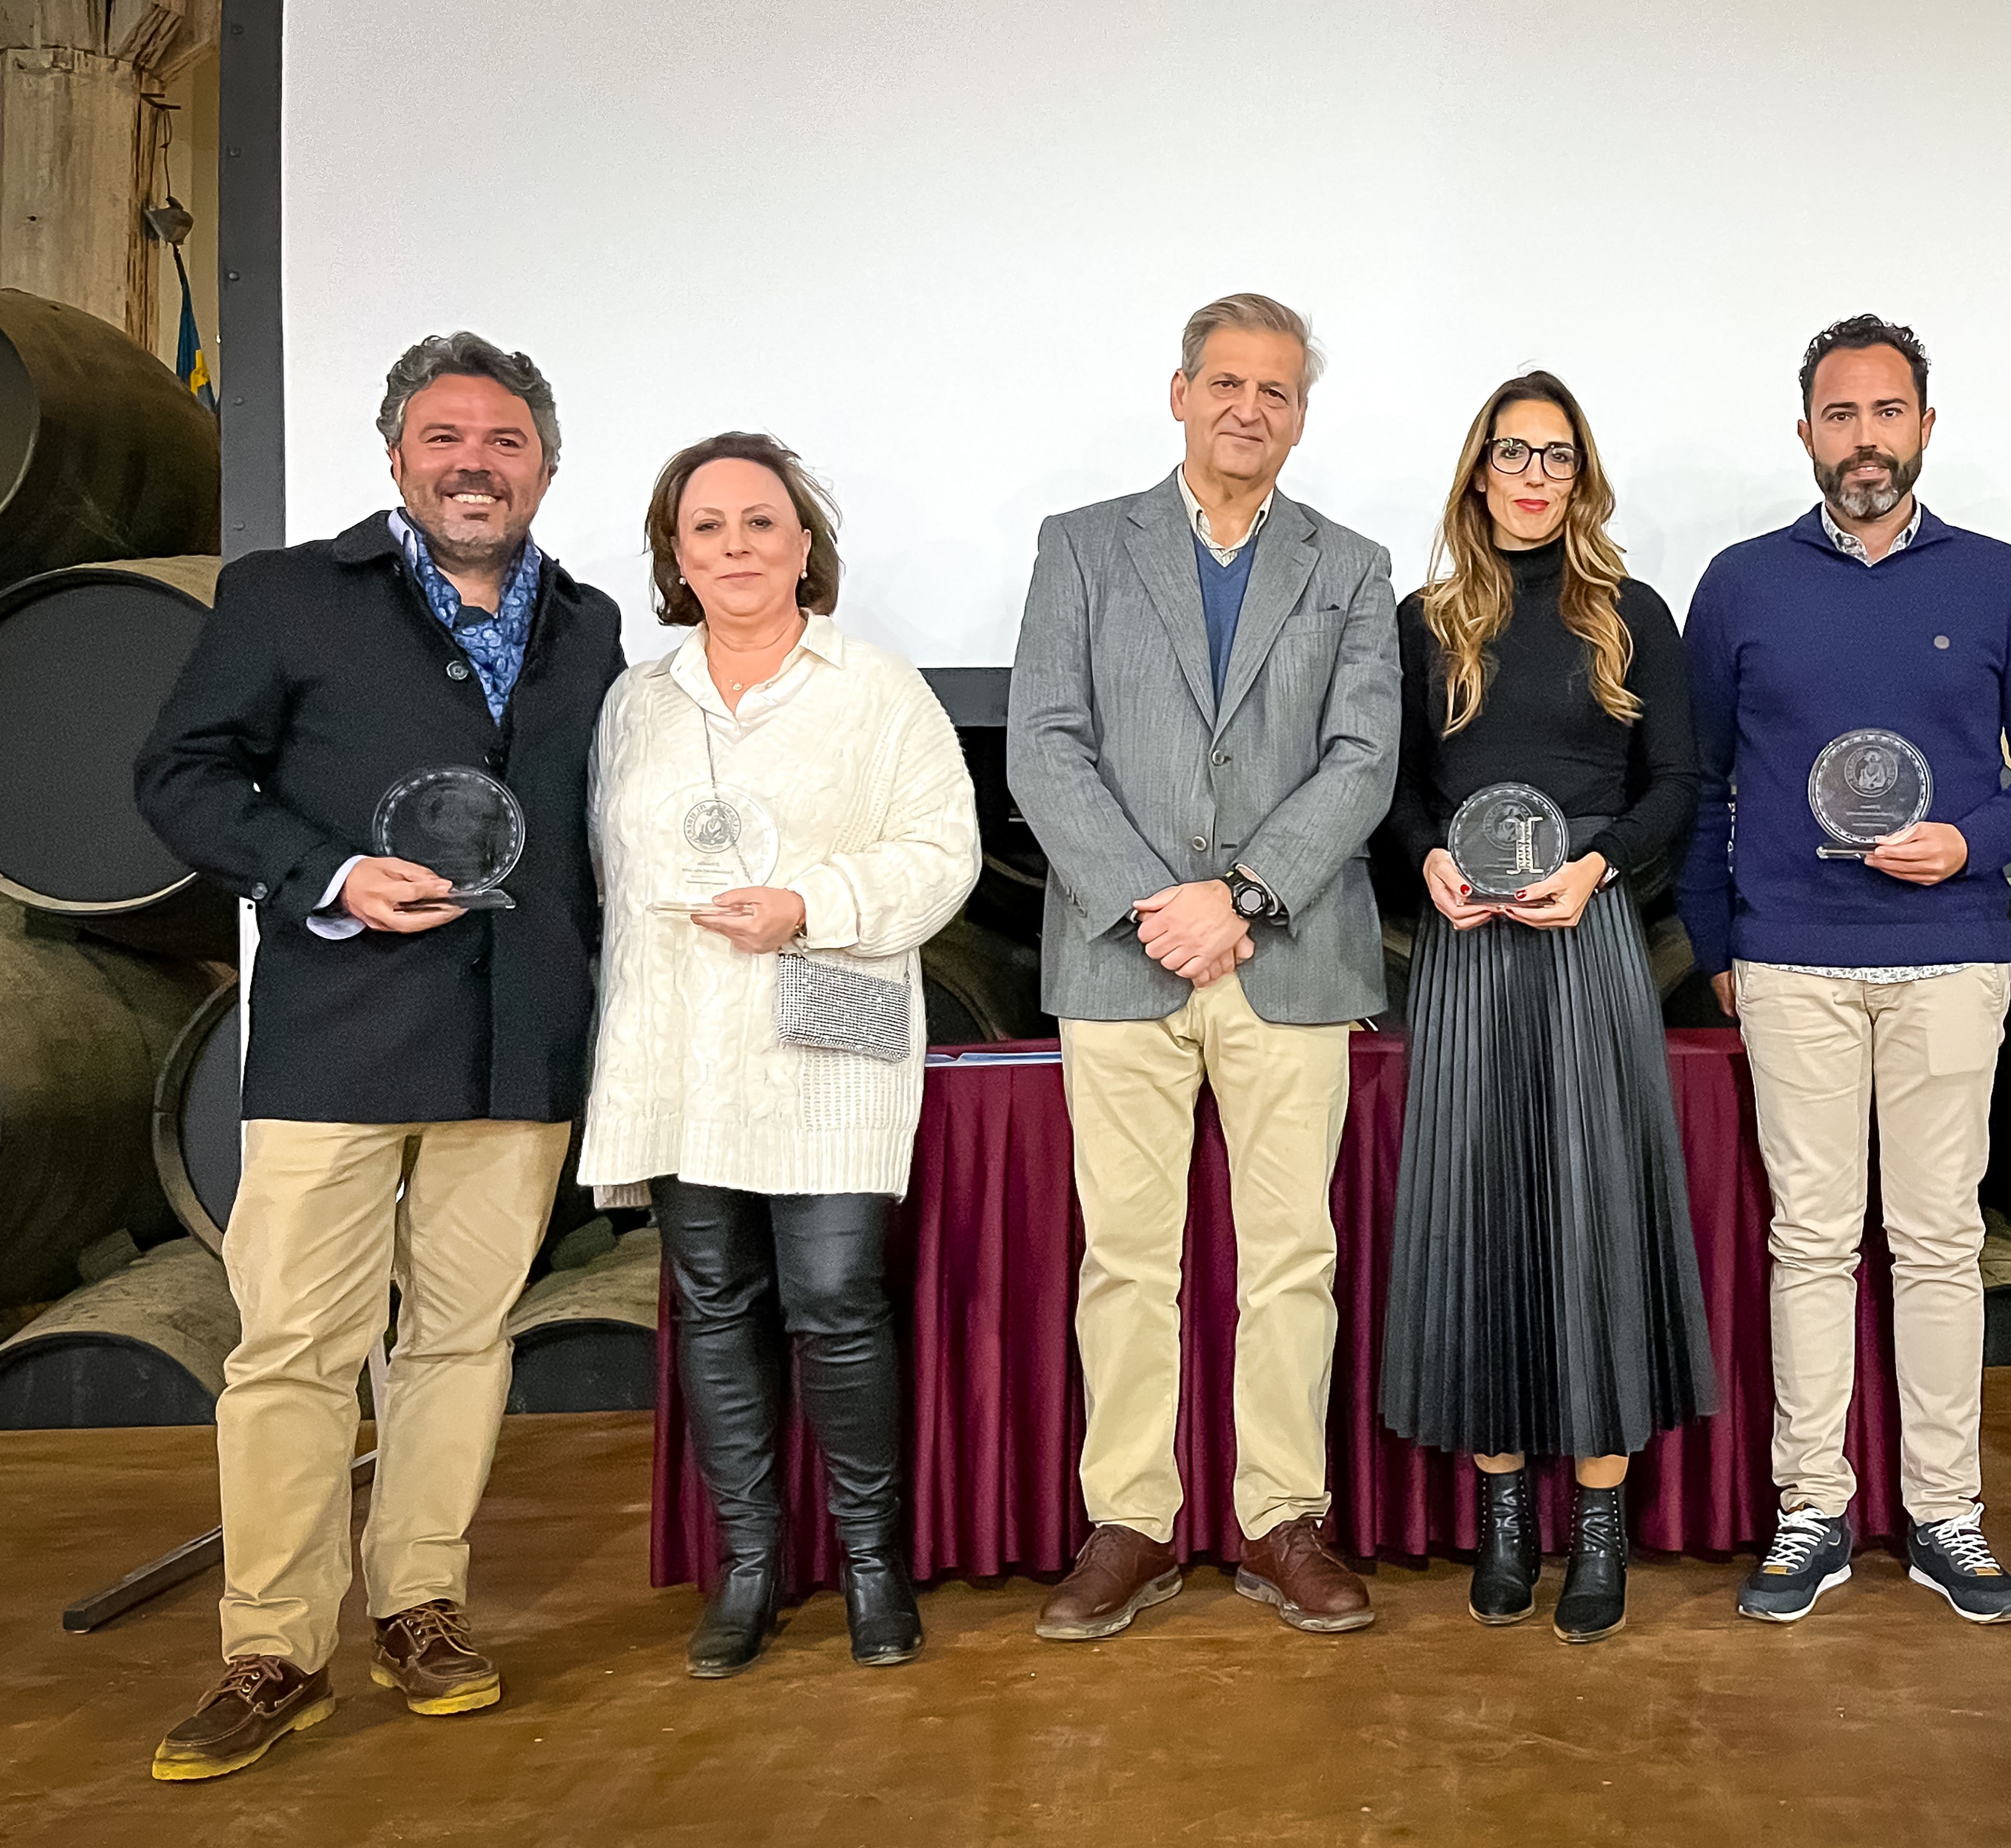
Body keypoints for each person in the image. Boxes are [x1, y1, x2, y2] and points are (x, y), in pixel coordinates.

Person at [132, 334, 626, 1779]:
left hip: (514, 1041)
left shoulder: (589, 626)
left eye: (504, 441)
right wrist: (330, 875)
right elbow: (181, 774)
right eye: (444, 438)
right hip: (337, 1040)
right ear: (396, 453)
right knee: (295, 1350)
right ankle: (273, 1645)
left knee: (461, 1342)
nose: (475, 463)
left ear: (545, 460)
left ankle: (420, 1606)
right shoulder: (288, 595)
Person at [1678, 315, 2011, 1626]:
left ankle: (1944, 1516)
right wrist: (1723, 946)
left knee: (1935, 1241)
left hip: (1948, 959)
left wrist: (1971, 839)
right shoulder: (1738, 583)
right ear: (1804, 433)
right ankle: (1812, 1509)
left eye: (1887, 412)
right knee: (1807, 1240)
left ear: (1924, 423)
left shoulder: (2000, 579)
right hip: (1789, 959)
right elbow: (1697, 786)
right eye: (1840, 416)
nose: (1865, 438)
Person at [1007, 294, 1401, 1640]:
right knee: (1126, 1257)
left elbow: (1363, 757)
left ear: (1300, 413)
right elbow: (1044, 743)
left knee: (1291, 1256)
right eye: (1225, 382)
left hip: (1285, 954)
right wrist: (1150, 904)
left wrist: (1239, 896)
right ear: (1177, 393)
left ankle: (1279, 1517)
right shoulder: (1080, 548)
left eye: (1276, 390)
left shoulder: (1349, 565)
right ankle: (1131, 1520)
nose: (1249, 408)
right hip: (1121, 962)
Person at [580, 433, 979, 1677]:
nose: (737, 546)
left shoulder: (876, 687)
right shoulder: (636, 702)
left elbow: (943, 853)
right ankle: (749, 1565)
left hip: (827, 1041)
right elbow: (607, 873)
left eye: (762, 523)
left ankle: (871, 1565)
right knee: (713, 1307)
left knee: (836, 1303)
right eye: (708, 527)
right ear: (676, 555)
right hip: (685, 1048)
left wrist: (807, 901)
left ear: (804, 545)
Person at [1375, 371, 1715, 1644]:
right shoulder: (1424, 619)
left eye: (1556, 458)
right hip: (1466, 947)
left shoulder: (1629, 613)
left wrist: (1598, 867)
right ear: (1477, 471)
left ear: (1580, 477)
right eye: (1511, 453)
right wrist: (1424, 863)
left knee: (1593, 1213)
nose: (1531, 475)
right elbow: (1402, 789)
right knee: (1483, 1213)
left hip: (1588, 929)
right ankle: (1503, 1520)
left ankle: (1600, 1526)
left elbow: (1678, 780)